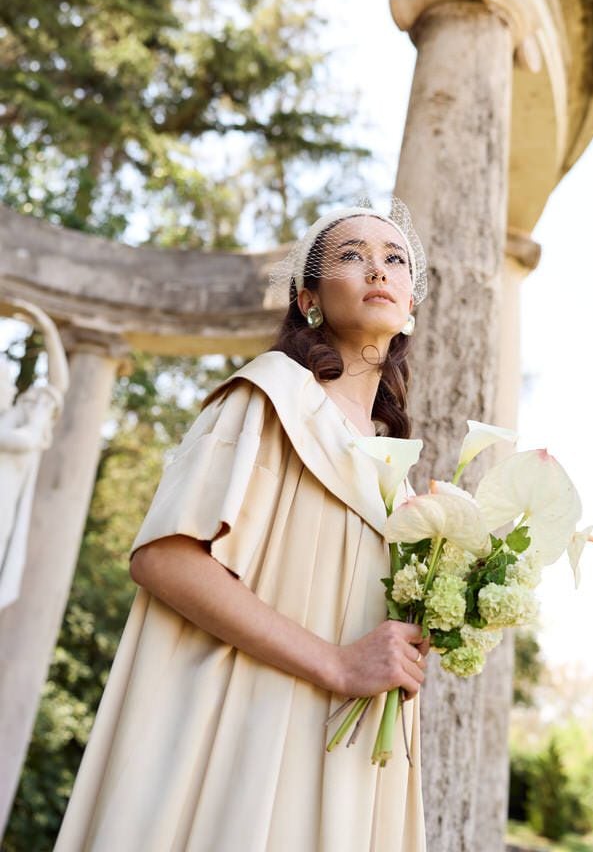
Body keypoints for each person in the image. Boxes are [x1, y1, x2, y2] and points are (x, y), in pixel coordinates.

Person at [54, 199, 430, 852]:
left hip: (348, 765)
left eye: (394, 258)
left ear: (410, 307)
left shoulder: (401, 476)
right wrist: (338, 666)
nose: (377, 266)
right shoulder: (265, 396)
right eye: (351, 254)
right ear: (309, 298)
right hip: (250, 738)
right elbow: (166, 558)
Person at [0, 298, 69, 610]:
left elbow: (57, 384)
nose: (10, 388)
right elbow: (19, 439)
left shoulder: (23, 415)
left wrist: (48, 329)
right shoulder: (14, 421)